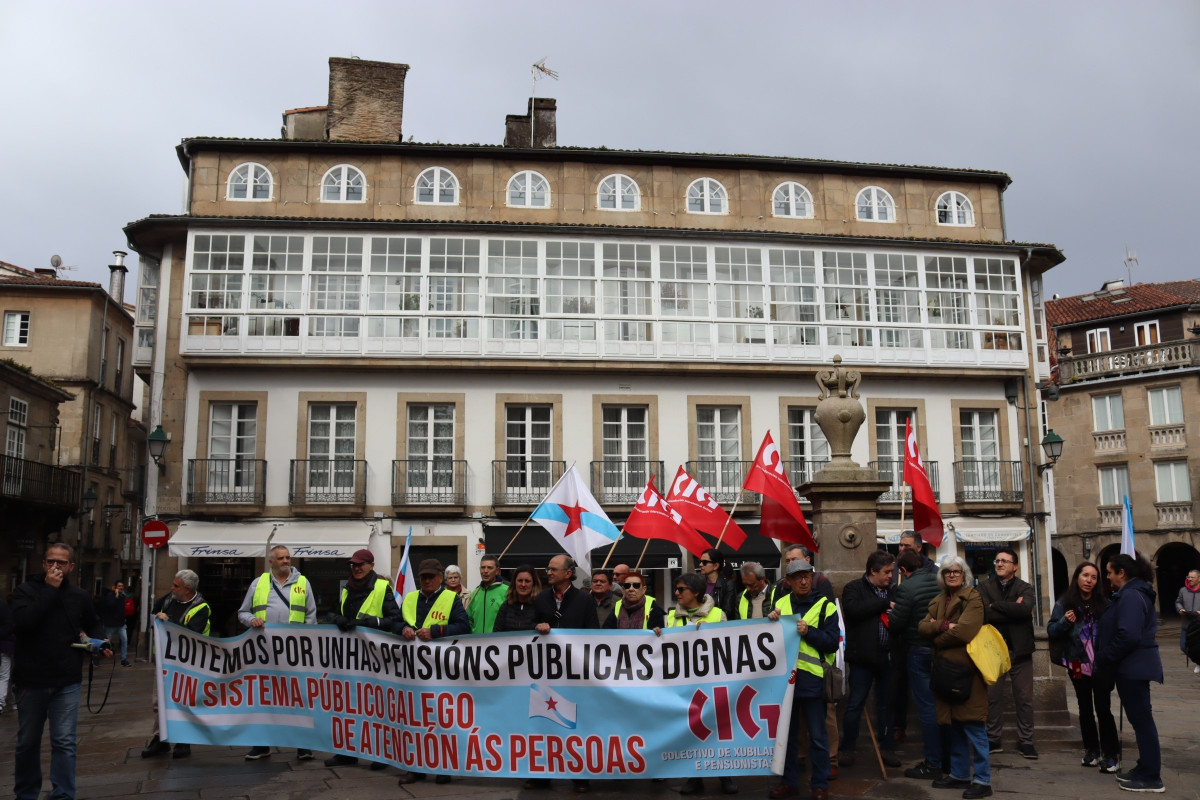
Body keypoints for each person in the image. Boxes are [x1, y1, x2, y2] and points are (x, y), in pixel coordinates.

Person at [11, 544, 110, 800]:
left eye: (61, 563)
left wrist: (101, 642)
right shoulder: (25, 591)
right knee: (27, 743)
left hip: (67, 680)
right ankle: (26, 793)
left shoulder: (79, 596)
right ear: (44, 563)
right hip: (30, 681)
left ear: (71, 567)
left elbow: (94, 623)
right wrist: (49, 591)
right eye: (51, 561)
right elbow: (25, 623)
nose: (55, 567)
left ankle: (63, 794)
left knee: (64, 742)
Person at [767, 559, 840, 800]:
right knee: (787, 738)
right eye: (798, 577)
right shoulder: (780, 604)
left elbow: (831, 642)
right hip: (784, 682)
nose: (804, 580)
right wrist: (770, 621)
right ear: (788, 581)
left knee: (818, 737)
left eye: (807, 575)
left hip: (813, 680)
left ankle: (819, 784)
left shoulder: (825, 605)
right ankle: (790, 782)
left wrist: (809, 632)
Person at [919, 556, 991, 799]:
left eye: (956, 571)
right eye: (948, 571)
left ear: (964, 574)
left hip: (967, 671)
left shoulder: (972, 597)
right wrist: (944, 626)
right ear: (942, 576)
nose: (952, 574)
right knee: (955, 726)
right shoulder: (938, 600)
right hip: (944, 672)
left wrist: (936, 633)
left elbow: (966, 631)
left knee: (973, 725)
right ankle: (959, 775)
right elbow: (921, 627)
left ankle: (983, 780)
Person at [237, 545, 317, 761]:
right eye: (280, 558)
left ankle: (303, 745)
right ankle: (262, 745)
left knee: (297, 698)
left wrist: (307, 645)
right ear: (271, 562)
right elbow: (242, 612)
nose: (285, 561)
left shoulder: (303, 582)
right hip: (265, 653)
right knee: (264, 699)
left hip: (294, 652)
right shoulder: (259, 583)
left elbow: (311, 616)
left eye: (288, 557)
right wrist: (250, 620)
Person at [325, 549, 402, 769]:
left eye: (361, 564)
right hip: (348, 660)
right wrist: (338, 618)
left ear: (371, 565)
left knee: (375, 707)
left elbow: (394, 620)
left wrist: (369, 624)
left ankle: (380, 755)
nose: (356, 568)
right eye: (353, 565)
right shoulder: (348, 588)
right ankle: (346, 753)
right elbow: (332, 612)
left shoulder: (381, 588)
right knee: (347, 707)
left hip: (374, 660)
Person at [396, 558, 470, 786]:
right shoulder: (409, 598)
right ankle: (415, 768)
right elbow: (395, 622)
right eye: (423, 577)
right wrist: (403, 628)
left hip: (440, 670)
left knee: (441, 720)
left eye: (431, 576)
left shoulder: (450, 598)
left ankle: (443, 768)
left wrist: (437, 631)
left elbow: (464, 627)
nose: (427, 580)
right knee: (413, 720)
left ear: (440, 578)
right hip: (413, 670)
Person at [1097, 554, 1165, 793]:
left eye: (1109, 572)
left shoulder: (1131, 596)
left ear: (1121, 573)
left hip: (1133, 668)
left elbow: (1129, 635)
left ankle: (1151, 776)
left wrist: (1105, 656)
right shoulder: (1131, 594)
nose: (1107, 577)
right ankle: (1145, 766)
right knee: (1140, 720)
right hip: (1132, 667)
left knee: (1143, 721)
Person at [533, 554, 598, 792]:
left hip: (574, 675)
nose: (548, 572)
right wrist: (536, 627)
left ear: (568, 573)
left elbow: (593, 634)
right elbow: (528, 631)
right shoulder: (541, 599)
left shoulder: (584, 600)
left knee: (575, 726)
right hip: (546, 675)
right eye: (548, 568)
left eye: (553, 569)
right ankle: (542, 775)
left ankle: (580, 777)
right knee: (544, 725)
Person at [1047, 561, 1118, 773]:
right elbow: (1052, 630)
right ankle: (1091, 750)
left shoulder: (1105, 603)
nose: (1089, 580)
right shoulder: (1064, 603)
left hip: (1101, 663)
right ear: (1077, 577)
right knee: (1085, 708)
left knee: (1103, 708)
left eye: (1094, 577)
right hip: (1077, 662)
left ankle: (1111, 753)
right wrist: (1065, 622)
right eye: (1085, 575)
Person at [839, 549, 899, 768]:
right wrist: (882, 604)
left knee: (886, 705)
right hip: (862, 658)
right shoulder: (854, 588)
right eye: (886, 572)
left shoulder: (893, 590)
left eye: (892, 571)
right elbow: (854, 610)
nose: (890, 576)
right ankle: (847, 748)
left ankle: (887, 747)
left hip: (887, 657)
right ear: (873, 571)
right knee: (855, 704)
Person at [142, 569, 211, 759]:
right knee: (159, 702)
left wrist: (168, 621)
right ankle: (160, 739)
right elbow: (153, 614)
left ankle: (183, 741)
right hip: (164, 661)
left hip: (188, 664)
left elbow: (191, 634)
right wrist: (157, 617)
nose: (172, 588)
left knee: (184, 700)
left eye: (176, 586)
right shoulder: (167, 600)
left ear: (187, 589)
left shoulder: (201, 608)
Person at [891, 549, 945, 780]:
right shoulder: (940, 581)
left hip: (919, 649)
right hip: (943, 650)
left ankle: (933, 762)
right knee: (945, 707)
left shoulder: (907, 588)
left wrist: (894, 611)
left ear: (903, 570)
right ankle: (950, 759)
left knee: (927, 709)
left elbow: (897, 624)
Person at [978, 546, 1036, 758]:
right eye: (997, 561)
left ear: (1015, 566)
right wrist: (1011, 608)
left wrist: (997, 606)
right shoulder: (984, 587)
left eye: (1004, 561)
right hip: (993, 651)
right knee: (992, 698)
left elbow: (1025, 610)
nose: (999, 564)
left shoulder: (1025, 587)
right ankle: (993, 739)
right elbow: (984, 613)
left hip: (1020, 650)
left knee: (1024, 699)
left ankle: (1026, 741)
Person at [466, 554, 507, 634]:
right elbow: (469, 621)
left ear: (498, 571)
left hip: (499, 643)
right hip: (477, 643)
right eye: (483, 567)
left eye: (490, 568)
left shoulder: (507, 591)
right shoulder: (474, 594)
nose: (485, 571)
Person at [493, 564, 542, 632]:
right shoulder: (506, 606)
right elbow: (496, 633)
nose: (523, 584)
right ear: (514, 582)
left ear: (534, 583)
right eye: (520, 580)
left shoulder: (541, 606)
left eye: (527, 581)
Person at [98, 580, 131, 667]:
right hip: (111, 624)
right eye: (119, 586)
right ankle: (98, 657)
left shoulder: (123, 596)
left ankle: (124, 659)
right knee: (106, 642)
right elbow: (110, 606)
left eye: (122, 586)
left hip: (121, 624)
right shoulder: (110, 596)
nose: (121, 588)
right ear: (115, 587)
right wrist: (115, 596)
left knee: (124, 640)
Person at [697, 548, 736, 617]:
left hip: (718, 625)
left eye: (704, 562)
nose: (700, 564)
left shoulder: (727, 584)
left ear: (716, 566)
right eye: (700, 561)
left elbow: (727, 611)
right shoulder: (698, 583)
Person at [1175, 569, 1200, 672]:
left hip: (1199, 625)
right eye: (1188, 577)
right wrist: (1180, 609)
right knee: (1183, 646)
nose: (1189, 579)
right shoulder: (1183, 590)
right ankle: (1199, 661)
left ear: (1199, 579)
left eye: (1192, 577)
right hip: (1187, 625)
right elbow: (1178, 601)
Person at [0, 594, 13, 715]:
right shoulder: (3, 604)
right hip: (5, 646)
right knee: (4, 675)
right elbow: (8, 625)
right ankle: (1, 701)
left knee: (4, 674)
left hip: (4, 646)